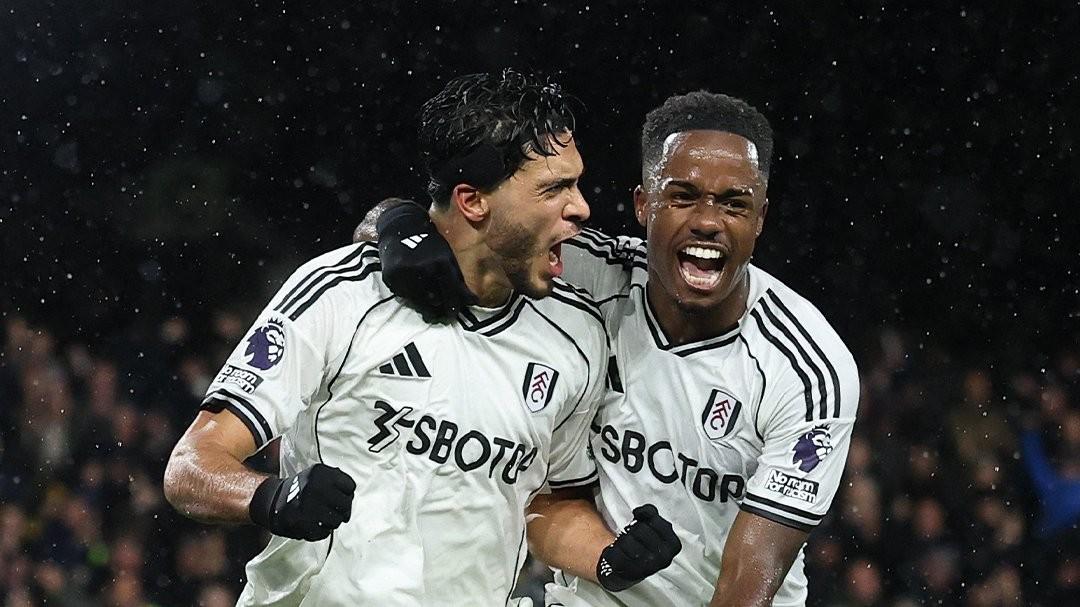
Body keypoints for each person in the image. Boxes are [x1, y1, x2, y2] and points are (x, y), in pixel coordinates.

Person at [162, 70, 679, 606]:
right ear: (472, 201)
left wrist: (608, 556)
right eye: (553, 189)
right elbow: (192, 465)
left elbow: (546, 502)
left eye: (575, 184)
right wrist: (272, 497)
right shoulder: (343, 295)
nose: (581, 207)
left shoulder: (576, 336)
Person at [371, 91, 859, 606]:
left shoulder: (808, 371)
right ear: (644, 204)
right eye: (683, 196)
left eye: (734, 203)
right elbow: (447, 218)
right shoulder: (578, 275)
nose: (708, 221)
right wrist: (399, 228)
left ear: (760, 218)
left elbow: (746, 586)